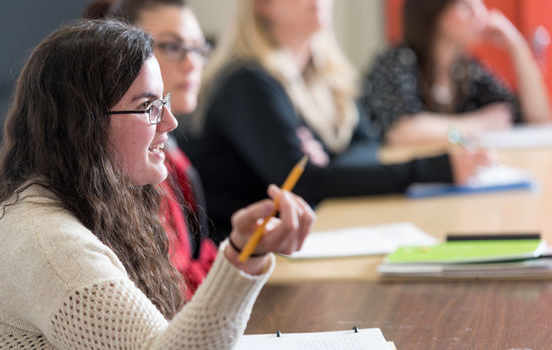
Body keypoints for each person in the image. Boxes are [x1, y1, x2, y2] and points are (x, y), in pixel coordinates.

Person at [0, 19, 314, 348]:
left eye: (163, 103)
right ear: (82, 125)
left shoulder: (90, 200)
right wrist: (241, 257)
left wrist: (245, 253)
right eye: (148, 107)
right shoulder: (50, 246)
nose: (170, 122)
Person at [177, 0, 491, 244]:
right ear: (263, 5)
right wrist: (437, 169)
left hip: (300, 241)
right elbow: (303, 184)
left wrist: (329, 167)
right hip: (246, 259)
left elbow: (368, 147)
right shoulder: (246, 83)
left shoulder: (326, 78)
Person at [84, 0, 217, 299]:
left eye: (198, 49)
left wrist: (242, 253)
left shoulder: (170, 151)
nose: (192, 63)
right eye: (173, 47)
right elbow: (171, 292)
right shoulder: (128, 163)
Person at [360, 0, 551, 146]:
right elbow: (401, 131)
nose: (480, 13)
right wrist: (478, 124)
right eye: (464, 4)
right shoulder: (398, 60)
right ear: (434, 12)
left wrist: (517, 46)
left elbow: (538, 120)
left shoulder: (465, 70)